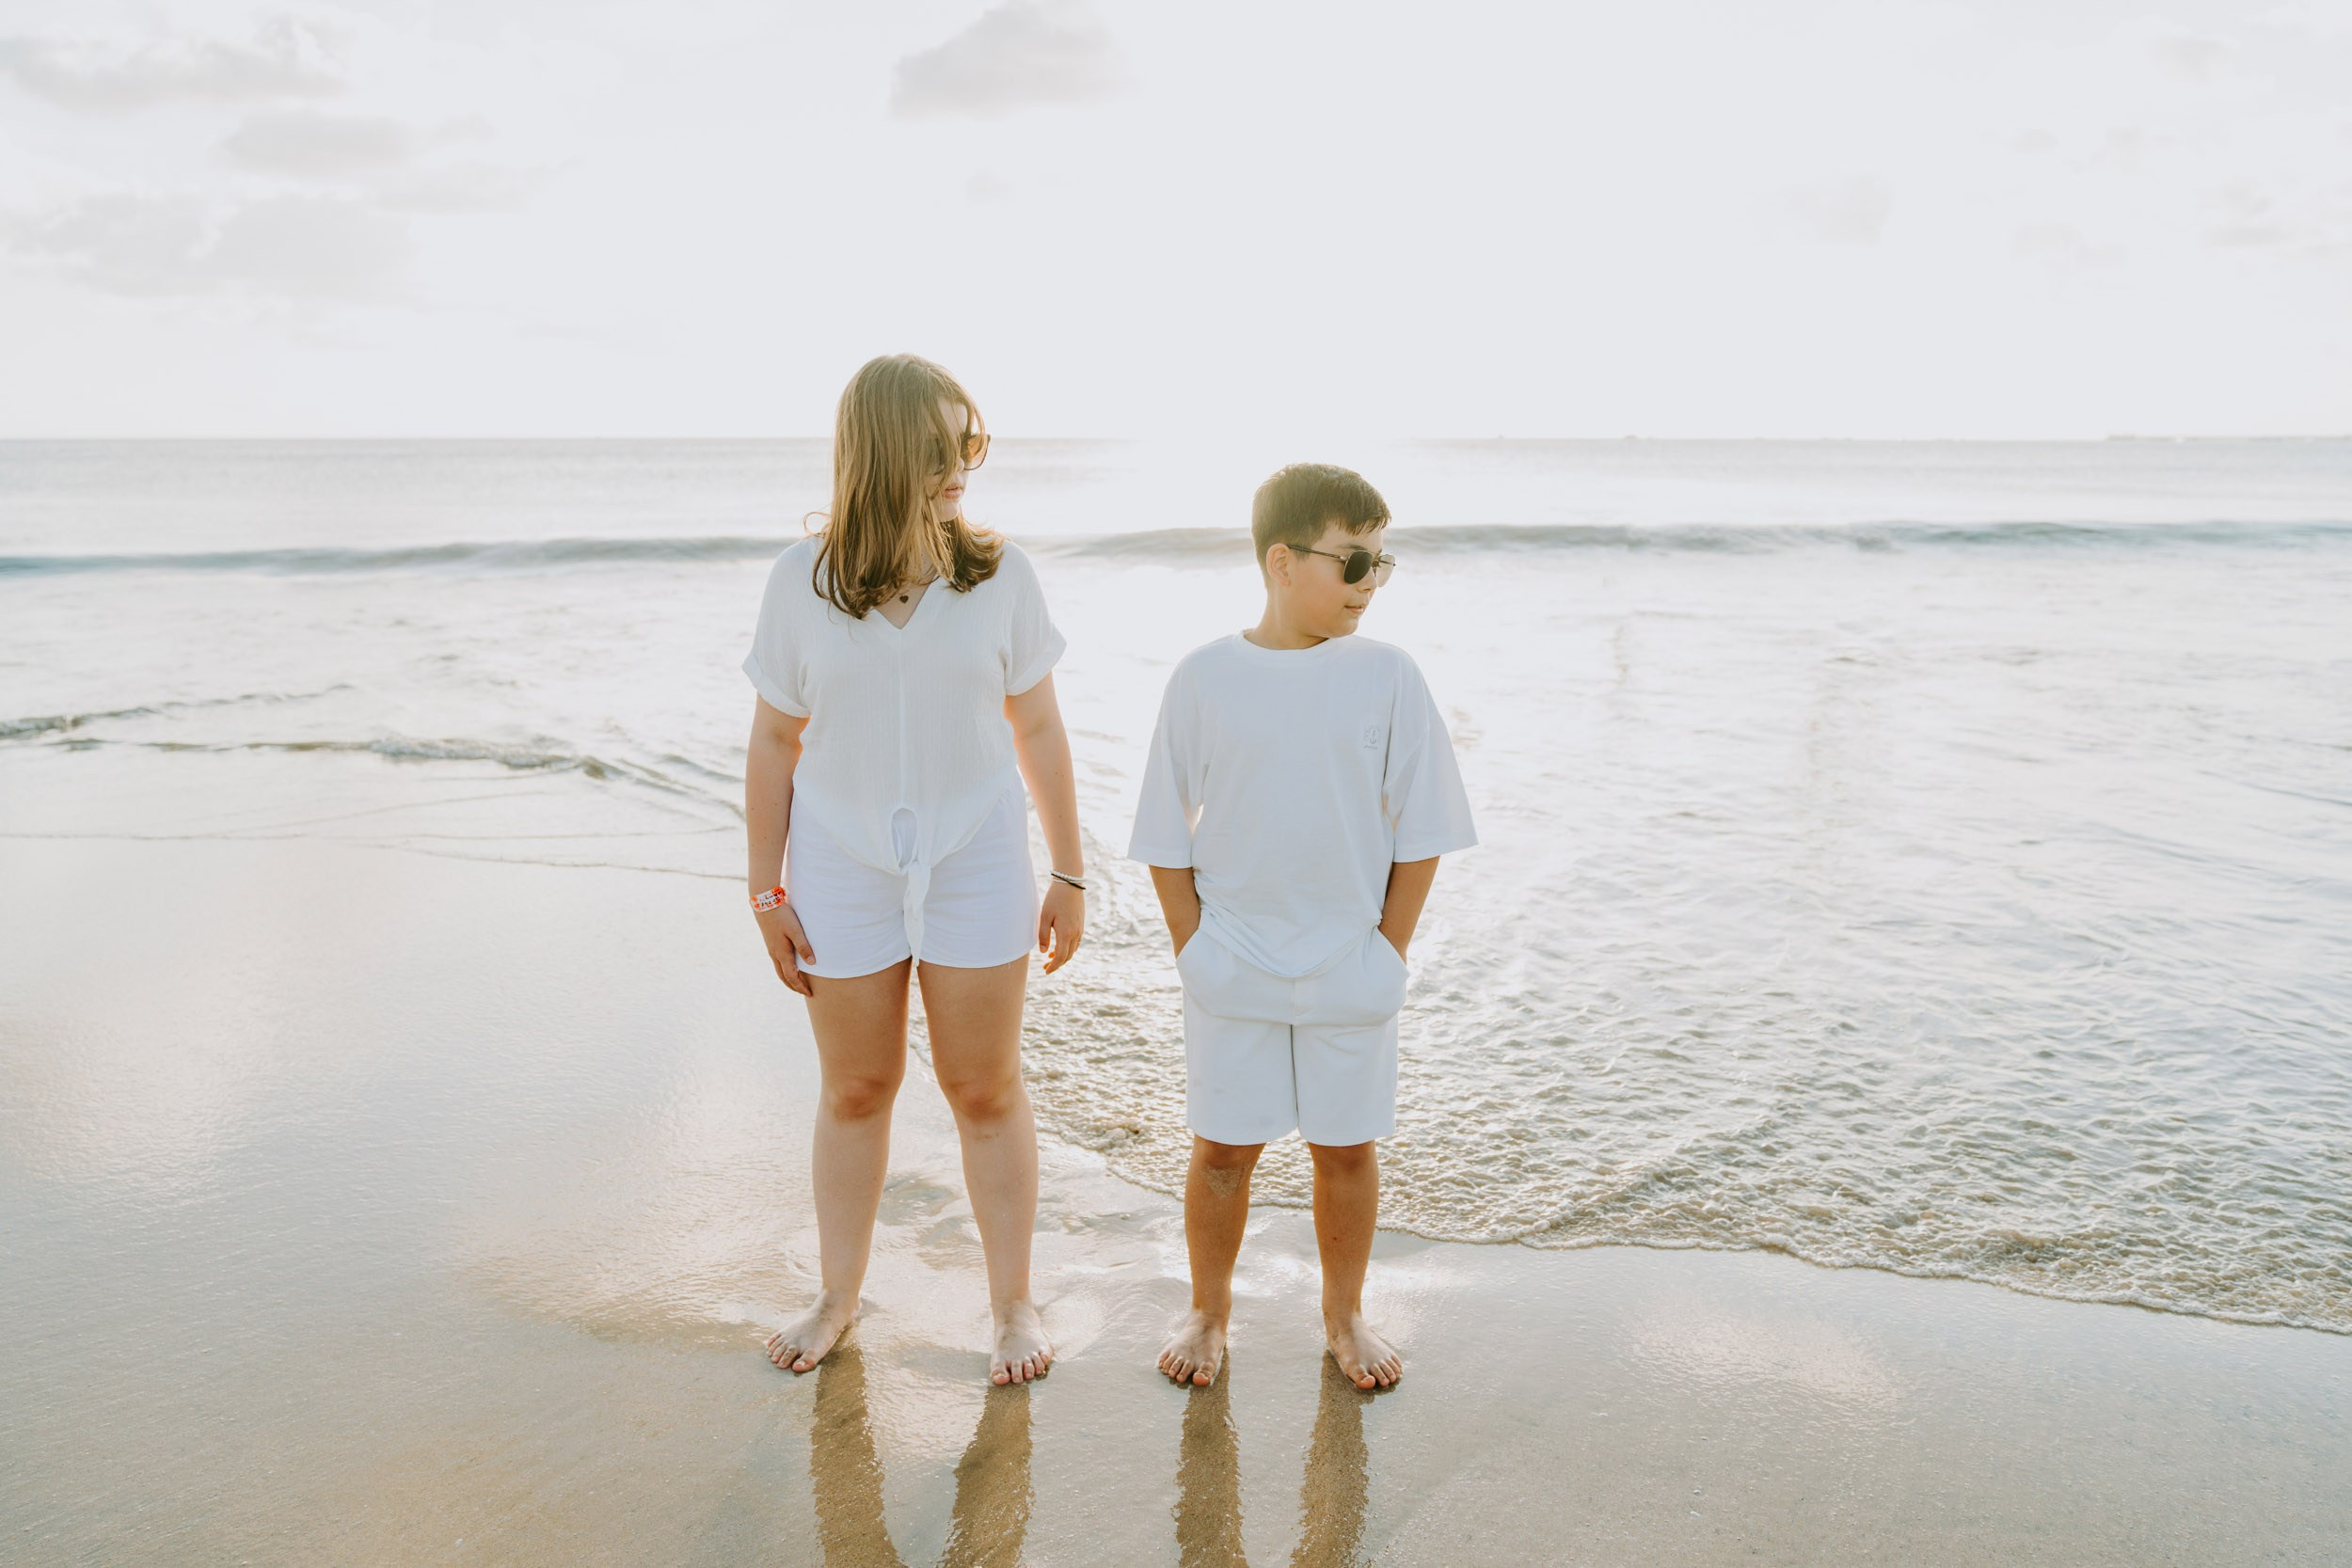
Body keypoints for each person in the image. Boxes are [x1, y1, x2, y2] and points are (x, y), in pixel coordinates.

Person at [742, 354, 1085, 1386]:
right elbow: (771, 742)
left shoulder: (1000, 575)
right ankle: (839, 1295)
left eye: (969, 444)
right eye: (942, 447)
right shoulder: (800, 585)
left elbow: (1038, 723)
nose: (961, 467)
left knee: (984, 1087)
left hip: (976, 850)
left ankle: (1012, 1304)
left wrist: (1068, 872)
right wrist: (766, 888)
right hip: (840, 860)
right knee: (857, 1086)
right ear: (886, 453)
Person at [1129, 462, 1476, 1391]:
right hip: (1230, 957)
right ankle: (1207, 1310)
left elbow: (1426, 828)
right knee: (1222, 1151)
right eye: (1354, 561)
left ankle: (1343, 1312)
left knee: (1345, 1147)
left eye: (1381, 564)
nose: (1370, 584)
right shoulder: (1206, 675)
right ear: (1281, 561)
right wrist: (1193, 946)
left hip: (1348, 961)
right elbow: (1164, 829)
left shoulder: (1388, 676)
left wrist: (1384, 951)